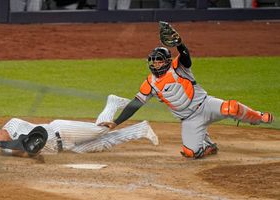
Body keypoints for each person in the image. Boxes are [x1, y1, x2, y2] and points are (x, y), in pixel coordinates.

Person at [99, 21, 274, 159]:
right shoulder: (150, 83)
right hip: (189, 119)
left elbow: (186, 56)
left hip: (206, 105)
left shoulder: (178, 67)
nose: (155, 64)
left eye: (159, 60)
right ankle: (208, 145)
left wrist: (180, 44)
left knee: (231, 108)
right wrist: (116, 122)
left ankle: (257, 117)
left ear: (167, 61)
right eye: (153, 61)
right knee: (191, 153)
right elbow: (135, 104)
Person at [0, 95, 158, 157]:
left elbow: (23, 142)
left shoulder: (12, 125)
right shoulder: (4, 147)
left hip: (63, 131)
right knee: (104, 143)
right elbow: (26, 151)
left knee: (101, 130)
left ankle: (112, 102)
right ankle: (140, 129)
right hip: (66, 148)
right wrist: (2, 145)